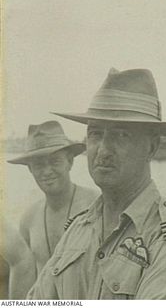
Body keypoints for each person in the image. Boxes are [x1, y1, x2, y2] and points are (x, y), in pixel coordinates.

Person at [27, 68, 166, 299]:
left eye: (121, 135)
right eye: (95, 134)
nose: (102, 150)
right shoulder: (78, 228)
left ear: (151, 147)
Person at [7, 120, 98, 298]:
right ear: (30, 170)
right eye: (39, 165)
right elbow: (25, 275)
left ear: (70, 162)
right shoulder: (29, 217)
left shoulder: (96, 204)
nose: (47, 171)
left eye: (55, 161)